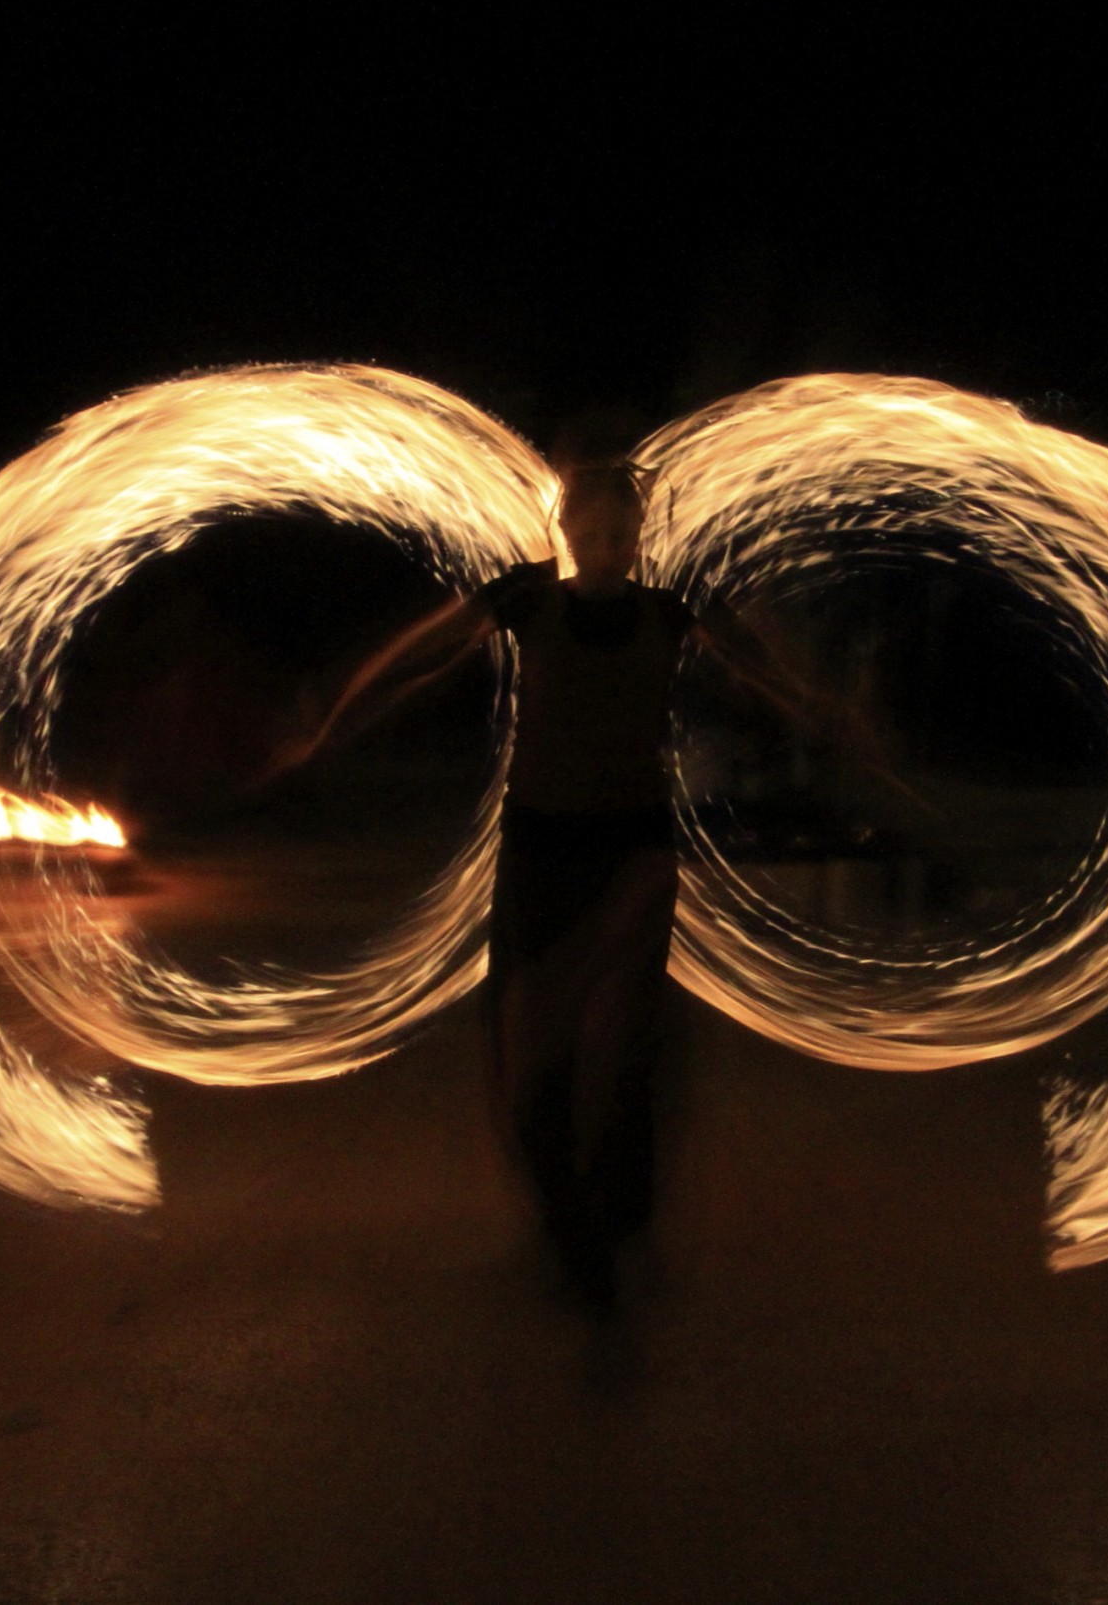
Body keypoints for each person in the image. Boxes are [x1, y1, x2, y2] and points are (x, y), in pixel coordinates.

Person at [284, 452, 852, 1313]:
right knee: (533, 1049)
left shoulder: (669, 611)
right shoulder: (528, 598)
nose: (608, 545)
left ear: (640, 533)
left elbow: (761, 669)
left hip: (634, 847)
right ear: (566, 530)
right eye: (592, 530)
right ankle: (571, 1218)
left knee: (625, 1038)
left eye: (622, 531)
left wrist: (826, 714)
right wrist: (341, 710)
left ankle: (617, 1214)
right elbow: (427, 647)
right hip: (542, 848)